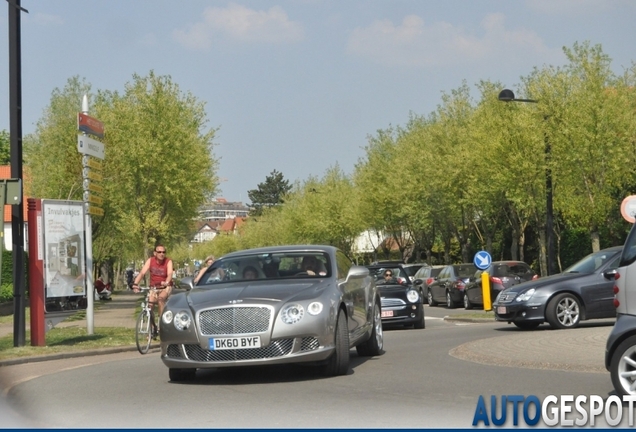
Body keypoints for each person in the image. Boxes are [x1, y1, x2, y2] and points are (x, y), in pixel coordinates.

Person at [132, 243, 173, 336]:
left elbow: (170, 273)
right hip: (154, 287)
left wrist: (166, 282)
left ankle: (162, 325)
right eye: (159, 252)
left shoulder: (168, 261)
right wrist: (135, 284)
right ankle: (152, 327)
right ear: (155, 253)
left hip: (165, 287)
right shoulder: (150, 261)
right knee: (150, 305)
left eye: (163, 252)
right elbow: (142, 273)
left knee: (160, 299)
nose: (162, 254)